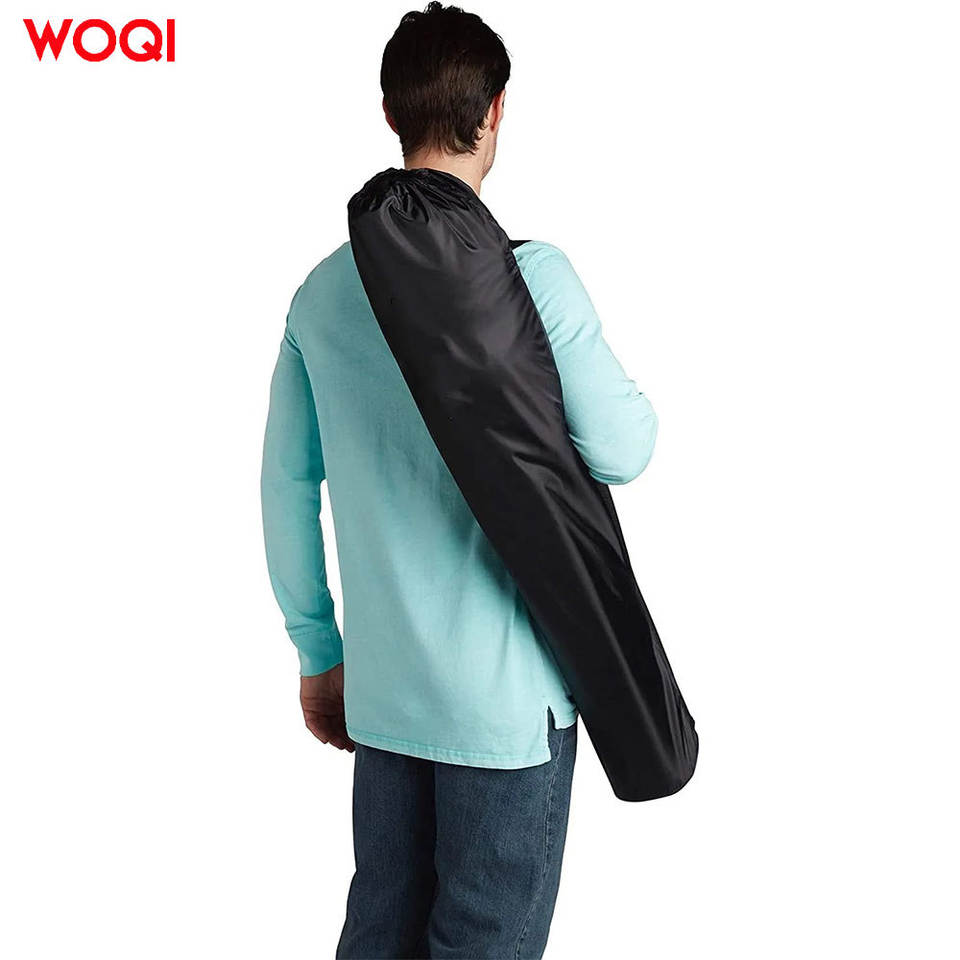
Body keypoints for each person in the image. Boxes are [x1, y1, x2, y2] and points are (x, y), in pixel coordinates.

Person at [261, 4, 659, 957]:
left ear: (390, 113)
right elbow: (625, 448)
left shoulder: (322, 293)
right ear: (495, 111)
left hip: (385, 699)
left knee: (378, 936)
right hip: (508, 712)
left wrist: (319, 654)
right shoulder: (533, 279)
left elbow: (285, 489)